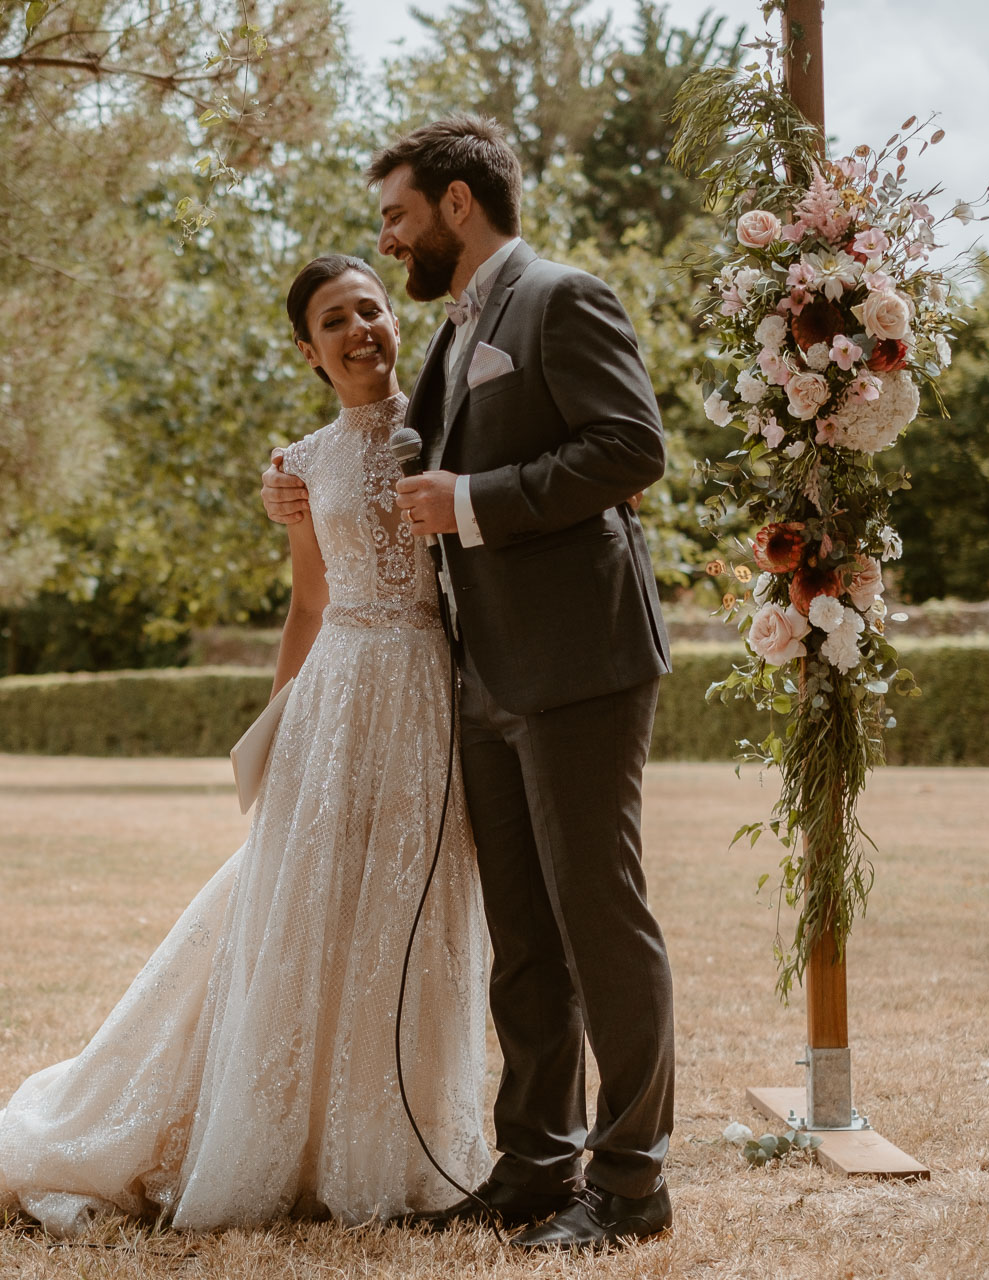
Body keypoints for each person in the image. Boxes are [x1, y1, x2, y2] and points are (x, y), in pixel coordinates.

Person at [0, 254, 490, 1236]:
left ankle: (400, 1144)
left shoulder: (452, 432)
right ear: (307, 349)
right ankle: (275, 1135)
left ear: (394, 319)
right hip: (335, 703)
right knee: (302, 912)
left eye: (369, 309)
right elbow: (308, 600)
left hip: (428, 698)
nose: (357, 330)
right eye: (333, 320)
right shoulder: (300, 463)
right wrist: (272, 732)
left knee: (411, 912)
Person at [263, 113, 676, 1252]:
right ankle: (536, 1161)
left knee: (600, 916)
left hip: (578, 660)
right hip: (481, 674)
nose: (385, 240)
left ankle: (632, 1179)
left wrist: (477, 502)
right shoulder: (454, 334)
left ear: (454, 203)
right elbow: (394, 450)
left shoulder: (559, 296)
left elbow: (629, 447)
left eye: (395, 215)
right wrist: (295, 478)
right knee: (525, 936)